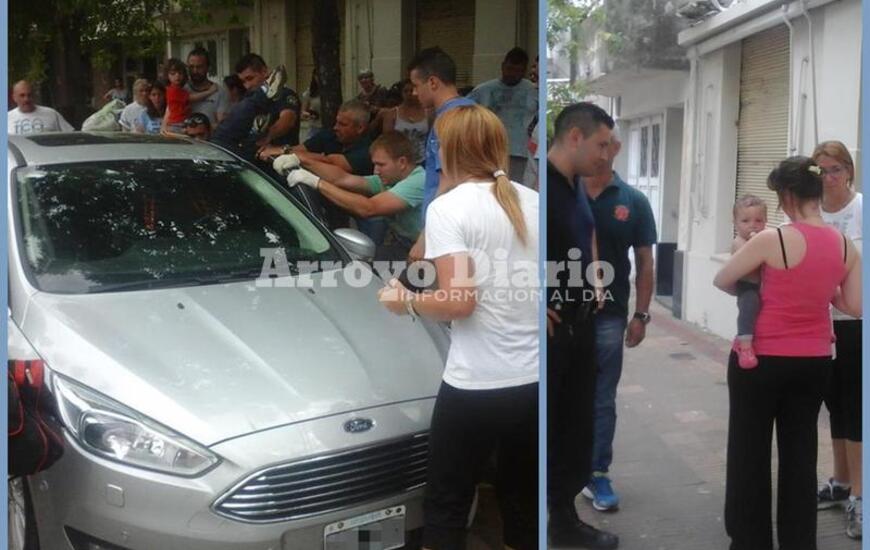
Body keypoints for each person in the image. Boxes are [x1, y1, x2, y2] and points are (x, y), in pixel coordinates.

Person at [377, 104, 538, 550]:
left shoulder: (451, 209)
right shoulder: (534, 202)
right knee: (523, 500)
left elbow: (458, 301)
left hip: (476, 387)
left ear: (447, 149)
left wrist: (405, 302)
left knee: (447, 505)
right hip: (533, 385)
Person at [713, 156, 862, 550]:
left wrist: (759, 292)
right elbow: (856, 305)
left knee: (749, 453)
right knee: (800, 456)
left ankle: (750, 542)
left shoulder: (772, 239)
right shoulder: (845, 245)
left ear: (787, 196)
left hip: (760, 360)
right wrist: (821, 291)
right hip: (814, 363)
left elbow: (723, 278)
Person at [547, 102, 619, 549]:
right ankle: (557, 524)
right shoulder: (541, 188)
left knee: (578, 428)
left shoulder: (574, 185)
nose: (606, 155)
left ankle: (564, 518)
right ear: (575, 136)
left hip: (581, 325)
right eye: (601, 145)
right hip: (555, 333)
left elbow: (583, 240)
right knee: (556, 430)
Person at [580, 127, 657, 513]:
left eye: (608, 143)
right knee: (561, 394)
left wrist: (641, 315)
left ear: (617, 148)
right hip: (562, 313)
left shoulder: (634, 201)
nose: (602, 150)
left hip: (610, 314)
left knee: (601, 399)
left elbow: (644, 262)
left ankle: (597, 473)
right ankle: (561, 470)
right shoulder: (563, 191)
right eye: (595, 142)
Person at [813, 141, 863, 539]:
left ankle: (861, 498)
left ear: (848, 169)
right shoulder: (810, 213)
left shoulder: (861, 208)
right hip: (819, 324)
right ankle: (841, 482)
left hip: (856, 322)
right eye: (821, 171)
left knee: (857, 407)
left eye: (834, 169)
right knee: (835, 405)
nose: (828, 178)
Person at [275, 131, 424, 260]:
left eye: (381, 165)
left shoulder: (419, 180)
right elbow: (342, 179)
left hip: (424, 253)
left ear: (402, 162)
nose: (376, 171)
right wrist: (301, 160)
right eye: (375, 164)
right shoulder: (391, 179)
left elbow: (369, 208)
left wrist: (315, 182)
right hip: (402, 245)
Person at [405, 47, 476, 261]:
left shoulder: (450, 121)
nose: (414, 93)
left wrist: (425, 237)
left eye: (416, 86)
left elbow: (449, 180)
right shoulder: (472, 112)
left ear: (433, 83)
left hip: (447, 230)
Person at [210, 53, 300, 159]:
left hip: (278, 156)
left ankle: (265, 91)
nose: (247, 85)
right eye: (243, 81)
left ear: (264, 71)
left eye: (250, 78)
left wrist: (267, 137)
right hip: (253, 156)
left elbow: (287, 120)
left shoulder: (285, 94)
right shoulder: (248, 98)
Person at [468, 47, 538, 181]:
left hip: (521, 152)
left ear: (524, 70)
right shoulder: (483, 90)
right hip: (491, 151)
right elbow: (465, 114)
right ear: (503, 66)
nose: (512, 74)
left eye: (518, 71)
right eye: (510, 69)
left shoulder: (533, 91)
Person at [258, 100, 374, 176]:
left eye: (343, 124)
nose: (336, 127)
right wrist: (271, 151)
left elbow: (330, 161)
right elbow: (301, 149)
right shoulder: (331, 135)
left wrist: (284, 152)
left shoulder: (368, 151)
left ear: (360, 128)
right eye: (336, 122)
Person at [727, 195, 768, 369]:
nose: (753, 225)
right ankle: (745, 345)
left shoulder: (764, 239)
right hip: (748, 286)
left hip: (765, 285)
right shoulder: (739, 242)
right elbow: (749, 261)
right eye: (745, 221)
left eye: (758, 220)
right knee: (748, 307)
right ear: (735, 223)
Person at [369, 79, 430, 164]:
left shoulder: (428, 113)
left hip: (423, 159)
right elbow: (387, 140)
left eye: (412, 90)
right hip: (399, 160)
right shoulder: (392, 113)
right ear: (401, 93)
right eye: (406, 91)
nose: (409, 94)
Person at [161, 58, 218, 134]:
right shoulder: (173, 90)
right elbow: (192, 98)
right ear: (167, 76)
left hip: (180, 122)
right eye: (173, 74)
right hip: (178, 123)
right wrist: (210, 91)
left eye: (180, 73)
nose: (177, 76)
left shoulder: (179, 89)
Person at [8, 80, 74, 135]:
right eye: (22, 95)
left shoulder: (51, 114)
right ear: (14, 97)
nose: (26, 99)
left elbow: (70, 135)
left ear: (34, 95)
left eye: (29, 95)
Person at [186, 47, 229, 128]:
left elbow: (223, 124)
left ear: (208, 67)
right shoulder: (181, 90)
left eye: (199, 67)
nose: (195, 71)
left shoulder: (220, 92)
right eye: (191, 67)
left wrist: (202, 130)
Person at [301, 72, 322, 140]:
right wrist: (310, 114)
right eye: (317, 76)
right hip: (315, 127)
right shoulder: (310, 92)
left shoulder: (331, 92)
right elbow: (303, 112)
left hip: (328, 127)